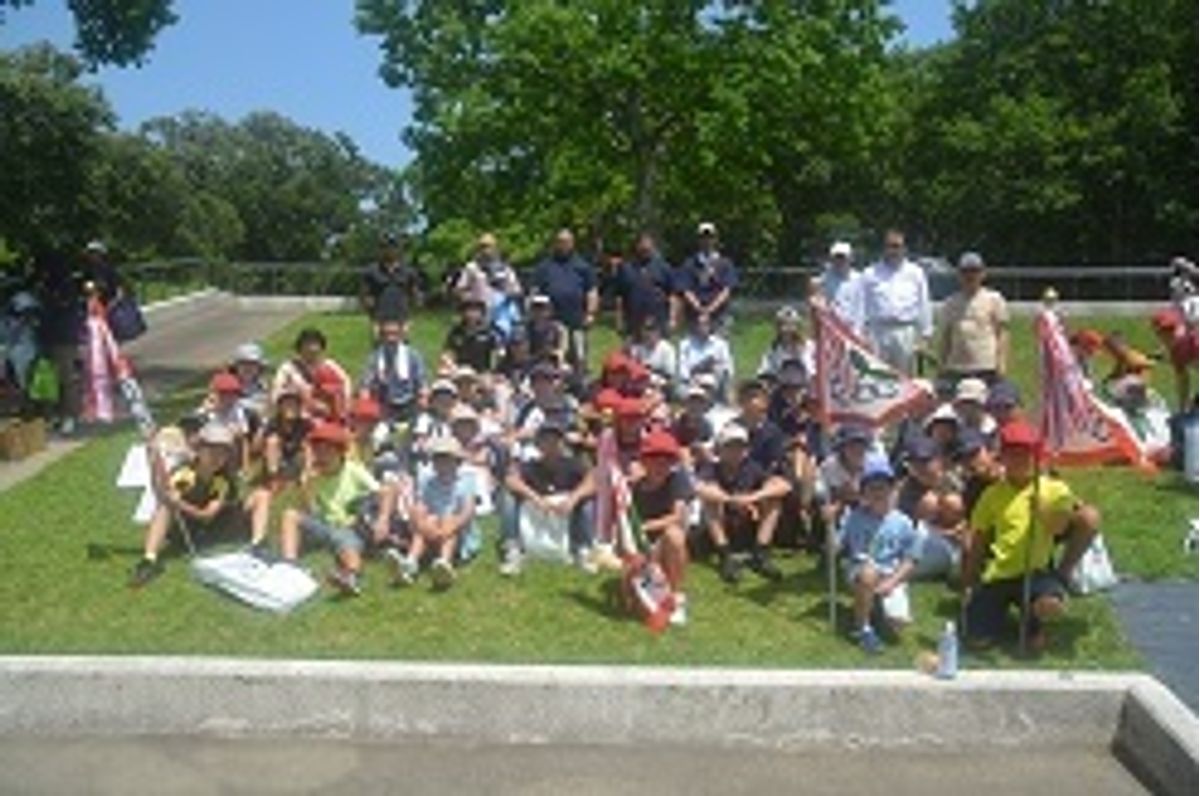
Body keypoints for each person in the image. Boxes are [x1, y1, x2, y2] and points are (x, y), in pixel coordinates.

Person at [963, 420, 1101, 651]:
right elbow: (978, 540)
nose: (1021, 460)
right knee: (978, 642)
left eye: (1027, 454)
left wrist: (1044, 510)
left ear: (1036, 457)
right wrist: (968, 582)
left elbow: (1058, 528)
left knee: (1049, 608)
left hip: (1035, 573)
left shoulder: (1055, 489)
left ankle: (1036, 617)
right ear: (1003, 457)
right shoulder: (992, 494)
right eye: (1014, 454)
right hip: (999, 572)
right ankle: (997, 617)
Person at [130, 424, 272, 587]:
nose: (218, 457)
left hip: (215, 526)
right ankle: (149, 559)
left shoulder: (221, 480)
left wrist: (181, 504)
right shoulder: (186, 474)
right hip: (191, 532)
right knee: (165, 506)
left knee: (262, 495)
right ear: (200, 450)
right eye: (213, 451)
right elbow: (163, 492)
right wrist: (152, 454)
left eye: (223, 453)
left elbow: (207, 515)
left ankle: (258, 545)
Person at [279, 421, 397, 596]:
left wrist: (383, 519)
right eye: (318, 450)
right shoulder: (314, 477)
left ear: (339, 452)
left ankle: (352, 576)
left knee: (346, 543)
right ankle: (289, 564)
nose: (321, 456)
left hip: (349, 526)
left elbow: (386, 491)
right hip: (325, 524)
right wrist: (305, 486)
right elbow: (311, 511)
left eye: (326, 451)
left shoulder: (353, 470)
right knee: (290, 515)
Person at [837, 453, 921, 654]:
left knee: (898, 623)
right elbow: (837, 548)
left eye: (883, 487)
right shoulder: (853, 517)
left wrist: (892, 582)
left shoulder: (903, 522)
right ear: (863, 492)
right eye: (871, 488)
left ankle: (872, 606)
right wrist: (830, 523)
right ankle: (862, 628)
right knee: (868, 574)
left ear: (893, 489)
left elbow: (911, 559)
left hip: (890, 574)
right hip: (860, 569)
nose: (878, 492)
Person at [500, 418, 597, 576]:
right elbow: (510, 480)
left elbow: (592, 482)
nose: (551, 443)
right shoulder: (530, 465)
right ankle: (513, 549)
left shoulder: (574, 463)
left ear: (562, 442)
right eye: (545, 439)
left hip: (566, 516)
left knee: (587, 503)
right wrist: (535, 498)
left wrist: (573, 498)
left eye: (555, 439)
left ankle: (583, 549)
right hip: (537, 515)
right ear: (538, 444)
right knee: (508, 498)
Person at [695, 423, 785, 583]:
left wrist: (753, 497)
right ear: (720, 450)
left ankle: (761, 553)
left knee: (773, 501)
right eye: (729, 446)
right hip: (722, 523)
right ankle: (725, 555)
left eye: (740, 447)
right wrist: (730, 500)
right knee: (710, 502)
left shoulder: (752, 467)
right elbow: (699, 488)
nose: (735, 451)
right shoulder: (711, 468)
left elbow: (783, 485)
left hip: (747, 522)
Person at [387, 436, 478, 589]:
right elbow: (421, 506)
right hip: (431, 530)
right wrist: (422, 525)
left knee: (449, 520)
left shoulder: (464, 483)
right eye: (438, 460)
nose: (442, 464)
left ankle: (444, 563)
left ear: (456, 462)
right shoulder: (429, 482)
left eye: (446, 460)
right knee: (423, 520)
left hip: (456, 534)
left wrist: (449, 527)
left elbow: (467, 511)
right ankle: (411, 563)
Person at [630, 430, 692, 625]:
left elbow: (677, 516)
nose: (661, 464)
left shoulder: (678, 480)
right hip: (641, 549)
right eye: (654, 458)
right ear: (645, 461)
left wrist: (646, 527)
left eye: (666, 459)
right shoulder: (634, 488)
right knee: (634, 607)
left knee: (674, 535)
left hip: (666, 548)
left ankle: (675, 596)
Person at [860, 229, 933, 376]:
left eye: (897, 246)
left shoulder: (915, 272)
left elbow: (923, 304)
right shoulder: (869, 273)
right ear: (884, 248)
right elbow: (862, 305)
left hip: (905, 331)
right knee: (877, 376)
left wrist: (925, 335)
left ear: (904, 248)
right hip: (878, 331)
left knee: (904, 378)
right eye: (890, 246)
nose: (893, 250)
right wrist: (863, 334)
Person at [895, 436, 965, 581]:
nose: (920, 468)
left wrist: (962, 529)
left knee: (952, 502)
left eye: (925, 462)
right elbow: (909, 529)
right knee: (929, 502)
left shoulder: (954, 479)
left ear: (939, 461)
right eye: (914, 463)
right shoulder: (904, 490)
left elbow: (971, 513)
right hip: (922, 541)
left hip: (956, 538)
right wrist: (948, 533)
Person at [937, 251, 1009, 386]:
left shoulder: (994, 299)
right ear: (958, 275)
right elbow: (946, 337)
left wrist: (1001, 364)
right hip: (956, 367)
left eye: (975, 271)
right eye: (965, 271)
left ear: (983, 274)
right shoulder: (950, 303)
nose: (970, 275)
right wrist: (942, 365)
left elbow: (1002, 334)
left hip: (986, 366)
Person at [531, 229, 597, 374]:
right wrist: (533, 312)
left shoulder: (583, 266)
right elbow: (535, 290)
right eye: (560, 242)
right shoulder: (544, 266)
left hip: (576, 320)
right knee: (551, 356)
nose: (563, 245)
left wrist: (591, 313)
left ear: (572, 244)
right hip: (550, 320)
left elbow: (591, 291)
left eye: (566, 242)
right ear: (555, 243)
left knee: (579, 357)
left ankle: (579, 383)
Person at [35, 252, 84, 435]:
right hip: (53, 336)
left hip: (62, 337)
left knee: (65, 378)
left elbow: (60, 310)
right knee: (53, 378)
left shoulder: (64, 286)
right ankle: (57, 415)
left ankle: (69, 416)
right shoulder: (52, 285)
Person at [454, 232, 523, 339]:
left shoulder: (505, 268)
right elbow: (459, 290)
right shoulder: (471, 268)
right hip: (479, 317)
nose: (486, 250)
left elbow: (517, 290)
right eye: (482, 247)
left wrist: (505, 289)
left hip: (501, 316)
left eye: (489, 246)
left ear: (496, 248)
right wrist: (471, 302)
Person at [271, 328, 352, 416]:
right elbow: (277, 391)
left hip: (329, 414)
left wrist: (343, 406)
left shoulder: (330, 365)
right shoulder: (288, 368)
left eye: (315, 344)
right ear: (300, 347)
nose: (312, 348)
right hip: (299, 416)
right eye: (307, 344)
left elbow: (346, 384)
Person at [359, 318, 427, 423]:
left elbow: (422, 384)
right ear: (381, 336)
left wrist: (423, 397)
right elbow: (365, 385)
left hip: (409, 404)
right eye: (386, 334)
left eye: (394, 334)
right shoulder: (375, 358)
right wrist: (365, 399)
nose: (390, 338)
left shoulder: (413, 356)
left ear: (401, 335)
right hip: (384, 405)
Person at [677, 221, 738, 331]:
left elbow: (727, 290)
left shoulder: (725, 263)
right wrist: (700, 309)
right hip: (695, 317)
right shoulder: (690, 264)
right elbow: (686, 290)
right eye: (703, 237)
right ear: (698, 240)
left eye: (710, 237)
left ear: (716, 239)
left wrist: (710, 309)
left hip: (720, 315)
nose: (707, 241)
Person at [612, 232, 674, 337]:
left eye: (648, 248)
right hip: (633, 323)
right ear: (637, 247)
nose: (645, 250)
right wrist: (619, 320)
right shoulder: (625, 268)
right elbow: (619, 297)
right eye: (642, 247)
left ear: (653, 247)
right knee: (634, 353)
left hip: (658, 322)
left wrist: (672, 319)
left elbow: (673, 295)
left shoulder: (664, 268)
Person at [361, 232, 422, 330]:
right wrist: (372, 319)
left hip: (402, 320)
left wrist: (410, 318)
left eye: (394, 246)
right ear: (382, 249)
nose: (390, 250)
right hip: (380, 320)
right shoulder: (371, 271)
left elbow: (415, 296)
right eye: (386, 246)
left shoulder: (409, 272)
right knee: (380, 346)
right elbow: (365, 297)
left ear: (399, 249)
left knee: (403, 346)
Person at [678, 314, 734, 403]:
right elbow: (683, 368)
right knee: (682, 389)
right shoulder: (685, 344)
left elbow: (728, 368)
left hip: (714, 380)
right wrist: (692, 378)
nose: (703, 327)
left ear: (710, 325)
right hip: (693, 380)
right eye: (700, 324)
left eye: (706, 324)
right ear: (695, 326)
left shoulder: (721, 344)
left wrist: (715, 370)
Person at [443, 297, 504, 374]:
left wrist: (492, 371)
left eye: (476, 311)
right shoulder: (456, 332)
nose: (472, 314)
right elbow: (448, 353)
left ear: (482, 313)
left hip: (482, 373)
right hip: (459, 371)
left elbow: (499, 353)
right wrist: (451, 366)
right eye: (468, 310)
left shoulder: (489, 332)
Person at [817, 240, 864, 336]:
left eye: (842, 257)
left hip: (854, 331)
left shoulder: (860, 279)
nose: (839, 260)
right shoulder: (823, 280)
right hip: (831, 330)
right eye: (836, 257)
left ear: (851, 258)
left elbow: (862, 308)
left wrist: (859, 331)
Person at [757, 305, 815, 380]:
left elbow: (812, 372)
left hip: (805, 386)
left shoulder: (808, 346)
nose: (786, 329)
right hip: (781, 387)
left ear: (797, 327)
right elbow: (764, 371)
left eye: (791, 325)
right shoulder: (773, 350)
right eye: (782, 324)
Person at [627, 316, 678, 398]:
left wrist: (650, 375)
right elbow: (631, 368)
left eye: (651, 329)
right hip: (640, 382)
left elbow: (669, 376)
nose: (648, 333)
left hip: (660, 383)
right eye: (645, 329)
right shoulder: (637, 348)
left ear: (659, 331)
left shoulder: (667, 349)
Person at [524, 293, 569, 369]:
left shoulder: (558, 328)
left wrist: (552, 354)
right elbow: (523, 353)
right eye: (535, 307)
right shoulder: (525, 328)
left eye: (542, 308)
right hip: (531, 364)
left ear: (550, 310)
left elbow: (562, 350)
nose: (539, 311)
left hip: (552, 363)